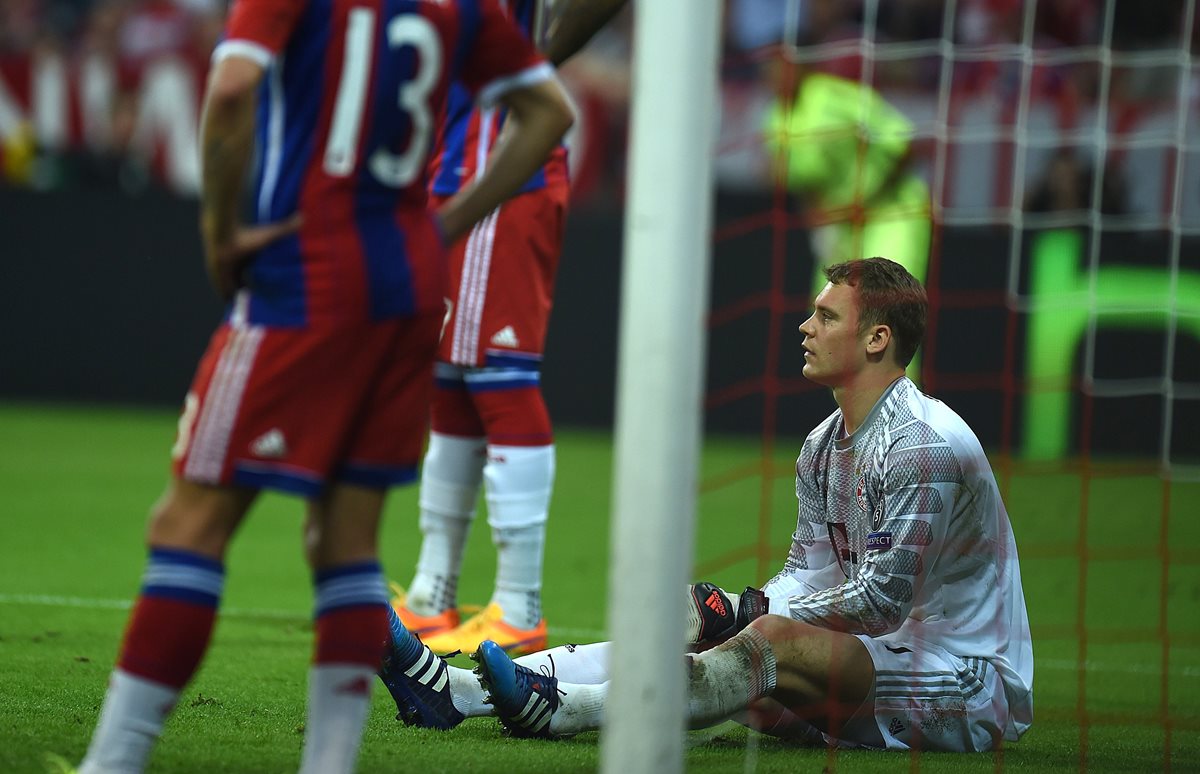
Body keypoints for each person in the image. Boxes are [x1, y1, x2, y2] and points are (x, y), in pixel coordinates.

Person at [75, 0, 573, 771]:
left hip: (306, 273)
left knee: (189, 523)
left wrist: (220, 234)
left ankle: (112, 762)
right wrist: (445, 226)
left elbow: (233, 89)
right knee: (345, 544)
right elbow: (548, 112)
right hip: (406, 281)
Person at [386, 257, 1034, 752]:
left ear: (877, 340)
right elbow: (808, 575)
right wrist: (727, 608)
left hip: (964, 684)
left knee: (763, 637)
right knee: (702, 623)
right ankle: (459, 691)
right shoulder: (822, 444)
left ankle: (566, 710)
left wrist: (752, 611)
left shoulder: (924, 447)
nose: (806, 327)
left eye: (827, 317)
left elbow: (883, 601)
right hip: (869, 667)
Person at [391, 0, 629, 658]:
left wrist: (534, 57)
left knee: (500, 379)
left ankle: (519, 604)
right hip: (450, 166)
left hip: (498, 170)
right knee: (450, 381)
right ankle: (431, 595)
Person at [763, 55, 931, 378]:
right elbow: (802, 185)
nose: (772, 74)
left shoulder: (836, 99)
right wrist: (820, 223)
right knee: (829, 315)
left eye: (779, 63)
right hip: (844, 223)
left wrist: (865, 202)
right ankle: (854, 417)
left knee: (888, 311)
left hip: (893, 211)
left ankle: (902, 414)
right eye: (767, 67)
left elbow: (905, 146)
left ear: (799, 65)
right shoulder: (775, 121)